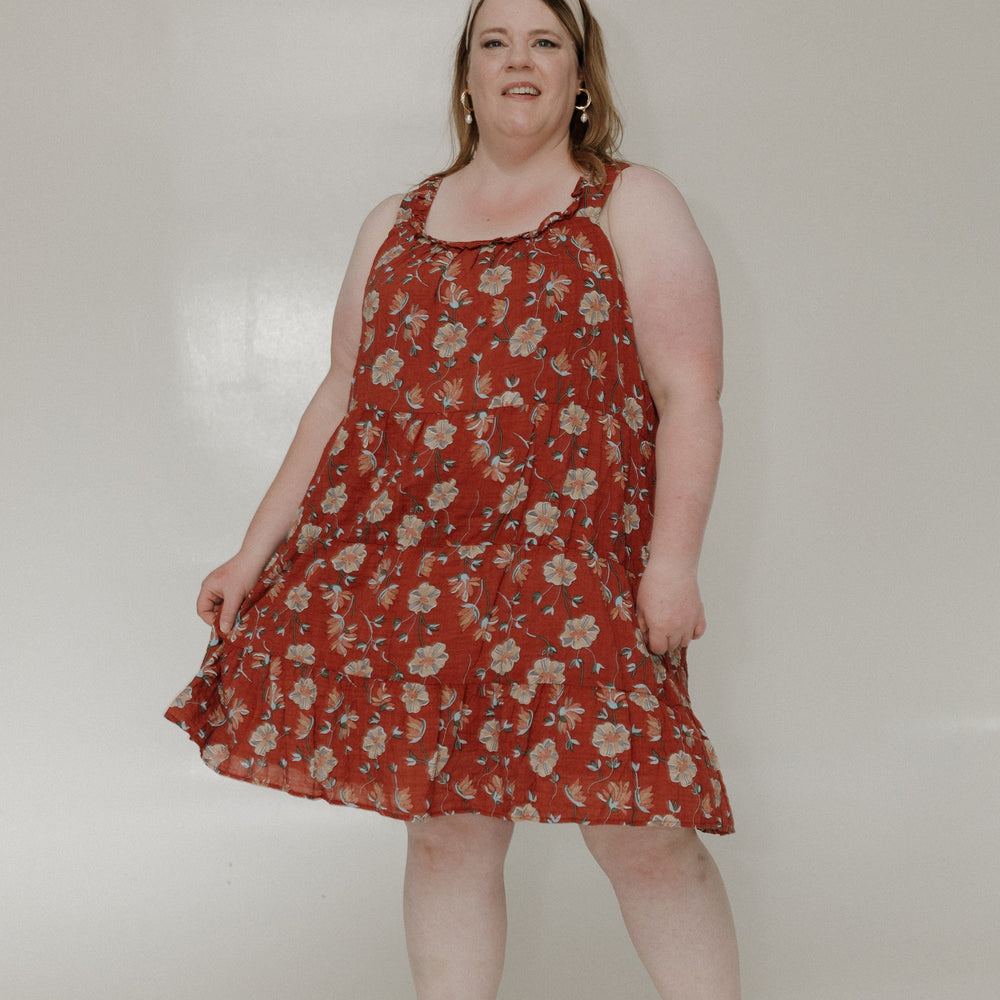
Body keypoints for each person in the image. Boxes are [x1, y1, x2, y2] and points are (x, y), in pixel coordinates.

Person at [166, 0, 740, 996]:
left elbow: (690, 392)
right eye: (495, 41)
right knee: (446, 832)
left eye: (545, 41)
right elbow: (342, 395)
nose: (519, 60)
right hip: (418, 577)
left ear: (580, 75)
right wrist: (249, 554)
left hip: (576, 577)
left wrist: (672, 563)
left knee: (641, 832)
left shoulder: (630, 203)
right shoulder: (393, 222)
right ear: (466, 77)